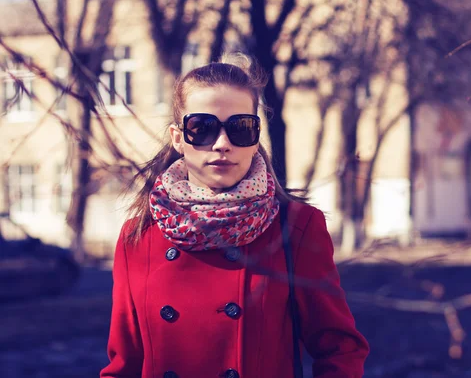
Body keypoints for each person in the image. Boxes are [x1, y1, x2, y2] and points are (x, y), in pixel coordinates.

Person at [100, 54, 369, 378]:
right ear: (178, 138)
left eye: (240, 128)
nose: (222, 144)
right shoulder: (139, 237)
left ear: (255, 138)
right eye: (203, 128)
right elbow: (122, 366)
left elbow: (340, 350)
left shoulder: (295, 227)